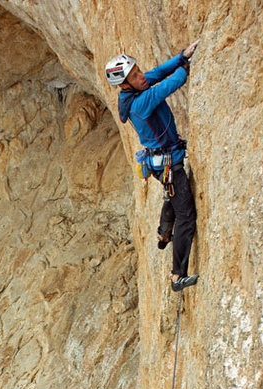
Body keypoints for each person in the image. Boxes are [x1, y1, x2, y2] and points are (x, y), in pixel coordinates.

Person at [105, 41, 200, 292]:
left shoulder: (133, 91)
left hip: (161, 162)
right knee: (187, 216)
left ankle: (164, 232)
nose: (141, 76)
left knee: (174, 194)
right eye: (135, 75)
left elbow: (156, 73)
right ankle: (177, 276)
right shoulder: (139, 103)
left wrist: (182, 56)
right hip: (169, 162)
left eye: (137, 70)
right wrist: (186, 67)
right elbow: (171, 83)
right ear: (124, 85)